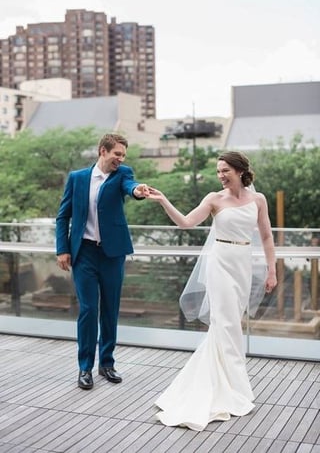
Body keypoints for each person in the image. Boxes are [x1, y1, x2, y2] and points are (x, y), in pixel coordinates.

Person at [147, 151, 277, 431]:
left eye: (225, 170)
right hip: (220, 263)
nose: (220, 175)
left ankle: (230, 383)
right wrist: (163, 200)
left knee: (232, 324)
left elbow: (266, 235)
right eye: (218, 171)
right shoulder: (213, 199)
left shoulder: (258, 199)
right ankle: (230, 388)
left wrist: (272, 270)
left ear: (240, 171)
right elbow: (186, 222)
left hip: (243, 264)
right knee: (226, 322)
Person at [56, 133, 149, 390]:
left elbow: (130, 186)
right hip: (84, 253)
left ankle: (106, 363)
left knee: (110, 309)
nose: (120, 159)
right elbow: (63, 217)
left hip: (112, 254)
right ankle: (84, 367)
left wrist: (138, 190)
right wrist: (62, 249)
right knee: (88, 309)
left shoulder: (122, 174)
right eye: (117, 154)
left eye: (123, 155)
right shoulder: (77, 178)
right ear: (103, 151)